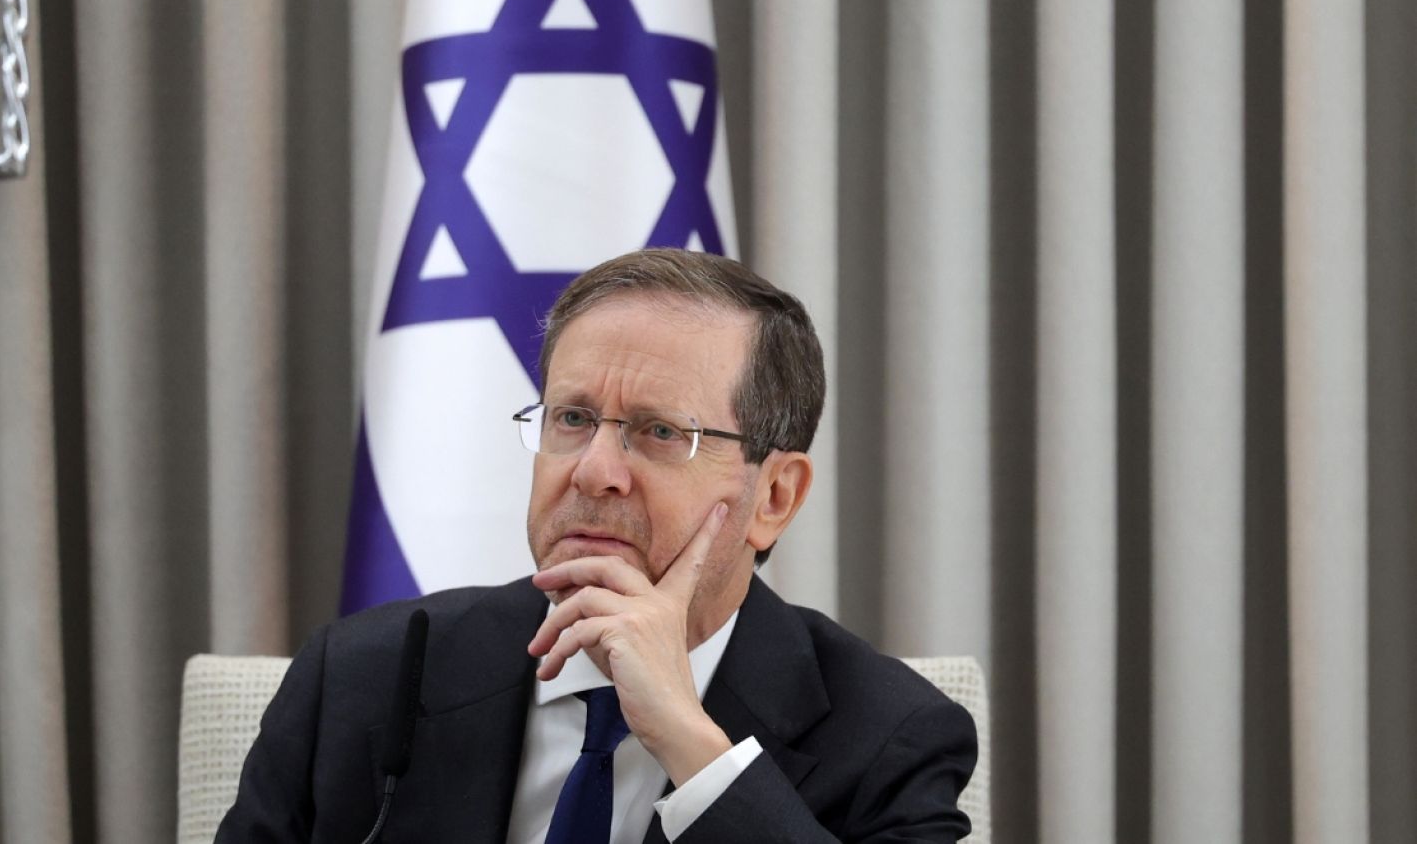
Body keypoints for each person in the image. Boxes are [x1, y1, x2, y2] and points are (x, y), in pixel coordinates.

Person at [216, 248, 977, 843]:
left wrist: (691, 745)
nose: (595, 471)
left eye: (659, 432)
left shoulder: (889, 735)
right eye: (572, 419)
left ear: (773, 497)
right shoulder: (365, 677)